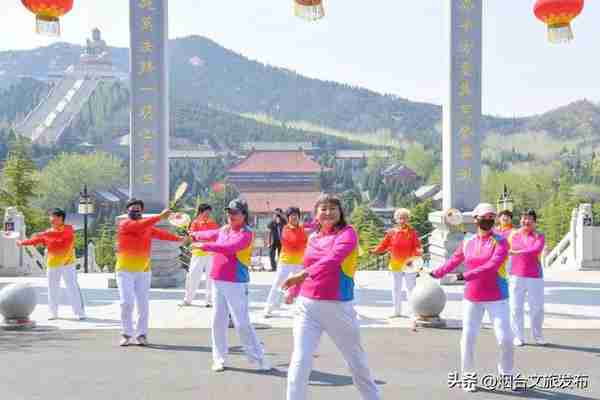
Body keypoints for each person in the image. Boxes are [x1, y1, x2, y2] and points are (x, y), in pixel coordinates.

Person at [283, 195, 380, 400]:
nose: (328, 213)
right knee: (300, 359)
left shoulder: (348, 234)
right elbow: (305, 264)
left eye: (333, 208)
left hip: (337, 306)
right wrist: (293, 290)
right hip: (307, 306)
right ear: (316, 214)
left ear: (340, 212)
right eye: (323, 209)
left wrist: (302, 275)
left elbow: (332, 260)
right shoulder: (313, 237)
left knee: (356, 361)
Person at [429, 203, 513, 393]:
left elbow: (491, 267)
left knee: (506, 339)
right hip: (473, 297)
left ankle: (506, 374)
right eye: (484, 216)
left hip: (497, 296)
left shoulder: (501, 241)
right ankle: (468, 376)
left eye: (492, 216)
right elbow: (454, 260)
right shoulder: (468, 241)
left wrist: (462, 276)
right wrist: (436, 272)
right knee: (468, 337)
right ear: (475, 219)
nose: (488, 219)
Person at [192, 198, 271, 372]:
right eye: (229, 212)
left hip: (236, 282)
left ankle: (259, 358)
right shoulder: (224, 229)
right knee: (217, 321)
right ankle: (219, 358)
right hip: (217, 280)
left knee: (242, 323)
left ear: (244, 215)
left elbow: (229, 247)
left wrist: (204, 246)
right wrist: (193, 234)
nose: (231, 215)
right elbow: (209, 234)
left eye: (235, 212)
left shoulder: (246, 233)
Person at [115, 199, 185, 347]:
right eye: (132, 209)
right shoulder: (125, 225)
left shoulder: (146, 227)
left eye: (138, 209)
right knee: (126, 303)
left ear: (142, 211)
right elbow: (141, 225)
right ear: (127, 211)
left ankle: (141, 334)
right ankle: (127, 334)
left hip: (143, 271)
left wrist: (179, 239)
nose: (135, 211)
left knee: (143, 304)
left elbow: (162, 234)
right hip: (124, 271)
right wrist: (160, 216)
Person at [17, 208, 86, 321]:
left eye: (53, 217)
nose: (51, 219)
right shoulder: (48, 232)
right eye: (50, 217)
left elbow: (62, 238)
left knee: (72, 287)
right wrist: (22, 243)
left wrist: (45, 235)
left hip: (68, 264)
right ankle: (53, 313)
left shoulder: (68, 229)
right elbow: (35, 241)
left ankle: (79, 313)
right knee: (52, 288)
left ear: (60, 218)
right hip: (52, 264)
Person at [370, 208, 422, 324]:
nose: (402, 220)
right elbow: (383, 245)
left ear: (408, 219)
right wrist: (375, 251)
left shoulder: (412, 232)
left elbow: (417, 247)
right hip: (395, 263)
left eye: (405, 218)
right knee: (396, 288)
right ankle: (396, 311)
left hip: (409, 263)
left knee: (411, 288)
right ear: (396, 219)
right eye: (400, 218)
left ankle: (413, 311)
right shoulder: (391, 232)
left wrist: (416, 257)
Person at [507, 209, 546, 347]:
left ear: (534, 222)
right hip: (516, 275)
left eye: (529, 218)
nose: (526, 221)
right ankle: (518, 336)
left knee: (537, 308)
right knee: (515, 307)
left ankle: (538, 335)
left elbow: (534, 250)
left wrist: (516, 252)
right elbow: (503, 248)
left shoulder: (539, 236)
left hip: (535, 276)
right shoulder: (513, 235)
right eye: (523, 218)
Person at [263, 207, 308, 318]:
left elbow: (305, 243)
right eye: (291, 215)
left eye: (296, 215)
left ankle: (299, 308)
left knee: (299, 285)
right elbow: (292, 243)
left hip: (299, 262)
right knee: (278, 284)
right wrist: (301, 244)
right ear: (288, 218)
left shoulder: (302, 229)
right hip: (286, 262)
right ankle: (269, 308)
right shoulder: (285, 229)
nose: (294, 217)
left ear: (299, 217)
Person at [179, 203, 219, 307]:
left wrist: (201, 239)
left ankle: (209, 301)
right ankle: (187, 300)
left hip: (211, 254)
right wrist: (192, 237)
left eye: (209, 213)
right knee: (192, 276)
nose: (208, 215)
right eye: (206, 213)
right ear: (200, 213)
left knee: (211, 278)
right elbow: (193, 238)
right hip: (198, 253)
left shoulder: (213, 223)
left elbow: (216, 238)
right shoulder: (195, 223)